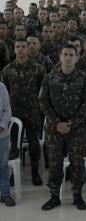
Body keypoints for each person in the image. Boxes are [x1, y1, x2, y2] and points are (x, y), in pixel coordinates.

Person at [39, 45, 86, 210]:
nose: (68, 57)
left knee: (77, 163)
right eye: (65, 54)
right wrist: (57, 122)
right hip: (54, 129)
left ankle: (77, 196)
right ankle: (54, 197)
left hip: (76, 129)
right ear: (60, 56)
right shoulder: (50, 77)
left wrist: (72, 123)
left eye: (72, 55)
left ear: (77, 57)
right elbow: (43, 101)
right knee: (55, 163)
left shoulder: (84, 77)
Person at [1, 39, 45, 186]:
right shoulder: (7, 70)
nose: (20, 49)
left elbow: (42, 90)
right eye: (18, 47)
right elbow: (4, 94)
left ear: (28, 49)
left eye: (23, 47)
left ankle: (34, 172)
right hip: (14, 114)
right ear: (14, 50)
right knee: (14, 144)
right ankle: (13, 174)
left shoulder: (38, 69)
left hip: (33, 112)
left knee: (34, 144)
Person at [0, 82, 15, 206]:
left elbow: (7, 109)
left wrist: (1, 127)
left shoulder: (1, 87)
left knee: (3, 165)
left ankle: (5, 194)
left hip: (1, 133)